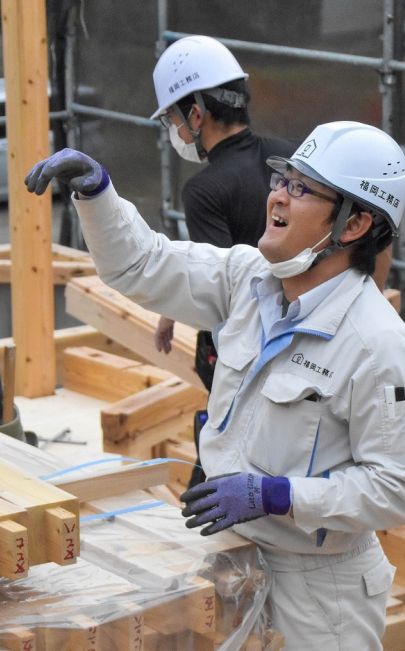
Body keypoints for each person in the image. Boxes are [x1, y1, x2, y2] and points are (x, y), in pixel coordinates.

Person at [25, 120, 405, 648]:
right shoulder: (251, 281)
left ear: (354, 225)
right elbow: (143, 264)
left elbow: (403, 488)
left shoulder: (377, 344)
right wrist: (97, 195)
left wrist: (277, 495)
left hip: (318, 596)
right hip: (230, 559)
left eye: (302, 189)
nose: (278, 198)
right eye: (283, 179)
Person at [149, 35, 295, 486]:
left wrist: (177, 304)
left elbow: (218, 286)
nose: (173, 130)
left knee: (224, 460)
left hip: (242, 352)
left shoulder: (205, 190)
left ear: (196, 114)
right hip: (296, 335)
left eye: (172, 118)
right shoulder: (286, 156)